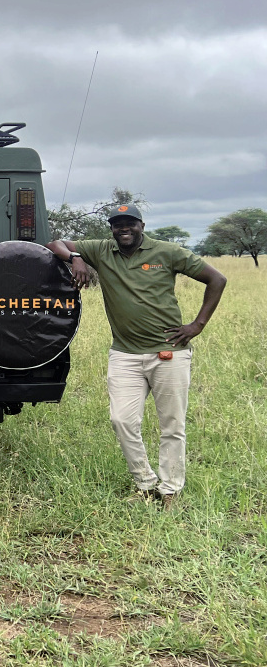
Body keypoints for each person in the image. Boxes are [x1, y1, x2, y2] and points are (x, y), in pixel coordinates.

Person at [47, 204, 226, 509]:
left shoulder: (168, 252)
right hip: (124, 355)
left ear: (142, 225)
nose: (124, 229)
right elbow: (55, 244)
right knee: (122, 421)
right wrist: (76, 258)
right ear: (112, 229)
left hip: (168, 353)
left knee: (172, 424)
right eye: (118, 225)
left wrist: (196, 325)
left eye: (130, 223)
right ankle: (146, 483)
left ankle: (169, 490)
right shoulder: (103, 250)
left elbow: (217, 279)